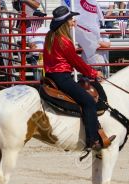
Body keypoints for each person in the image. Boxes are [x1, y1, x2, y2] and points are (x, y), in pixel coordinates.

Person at [43, 6, 115, 151]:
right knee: (88, 101)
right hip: (62, 77)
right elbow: (76, 62)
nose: (72, 21)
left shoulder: (50, 37)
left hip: (50, 76)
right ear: (64, 22)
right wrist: (93, 73)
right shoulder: (65, 41)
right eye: (70, 19)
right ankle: (93, 140)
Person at [26, 11, 48, 80]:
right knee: (38, 77)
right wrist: (29, 44)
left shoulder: (46, 29)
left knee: (45, 76)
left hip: (44, 55)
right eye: (41, 17)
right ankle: (40, 87)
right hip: (35, 56)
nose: (42, 19)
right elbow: (21, 41)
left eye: (43, 17)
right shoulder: (28, 30)